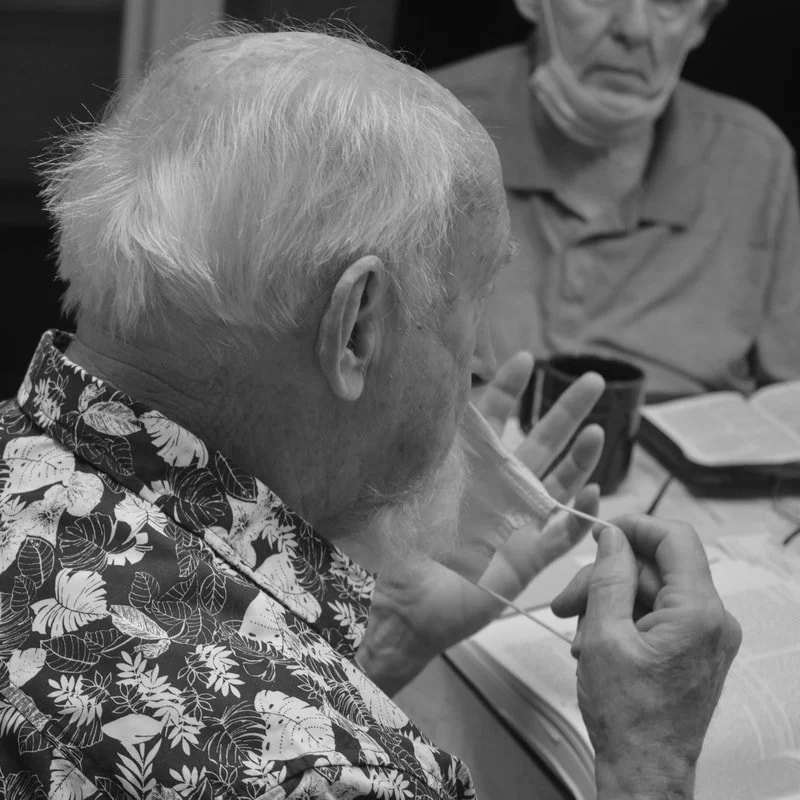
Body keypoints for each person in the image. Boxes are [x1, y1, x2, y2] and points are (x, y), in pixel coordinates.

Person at [0, 28, 740, 800]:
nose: (476, 359)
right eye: (472, 302)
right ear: (357, 326)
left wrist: (369, 657)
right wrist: (648, 763)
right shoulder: (332, 776)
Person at [431, 0, 800, 400]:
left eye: (670, 4)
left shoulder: (753, 158)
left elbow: (786, 401)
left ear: (700, 24)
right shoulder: (430, 125)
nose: (635, 28)